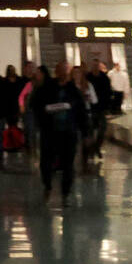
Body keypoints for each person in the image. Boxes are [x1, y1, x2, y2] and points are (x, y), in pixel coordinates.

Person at [30, 61, 89, 202]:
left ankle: (66, 192)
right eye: (61, 71)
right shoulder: (47, 88)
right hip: (50, 131)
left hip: (68, 132)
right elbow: (35, 105)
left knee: (68, 162)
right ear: (56, 72)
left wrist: (85, 131)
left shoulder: (72, 90)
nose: (63, 74)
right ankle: (48, 185)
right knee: (47, 160)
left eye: (65, 71)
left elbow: (81, 111)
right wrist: (44, 113)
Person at [85, 59, 111, 159]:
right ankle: (92, 149)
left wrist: (107, 106)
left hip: (101, 108)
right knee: (91, 130)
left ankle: (97, 147)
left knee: (102, 129)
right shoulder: (88, 77)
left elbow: (108, 92)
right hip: (91, 107)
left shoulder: (104, 78)